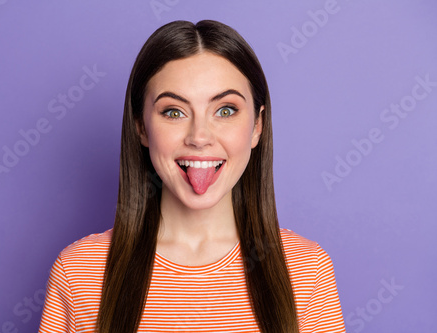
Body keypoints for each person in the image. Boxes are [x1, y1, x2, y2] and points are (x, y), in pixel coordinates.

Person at [38, 20, 346, 333]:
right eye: (174, 111)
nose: (199, 137)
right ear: (141, 127)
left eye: (225, 110)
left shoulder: (308, 271)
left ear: (257, 126)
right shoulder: (79, 272)